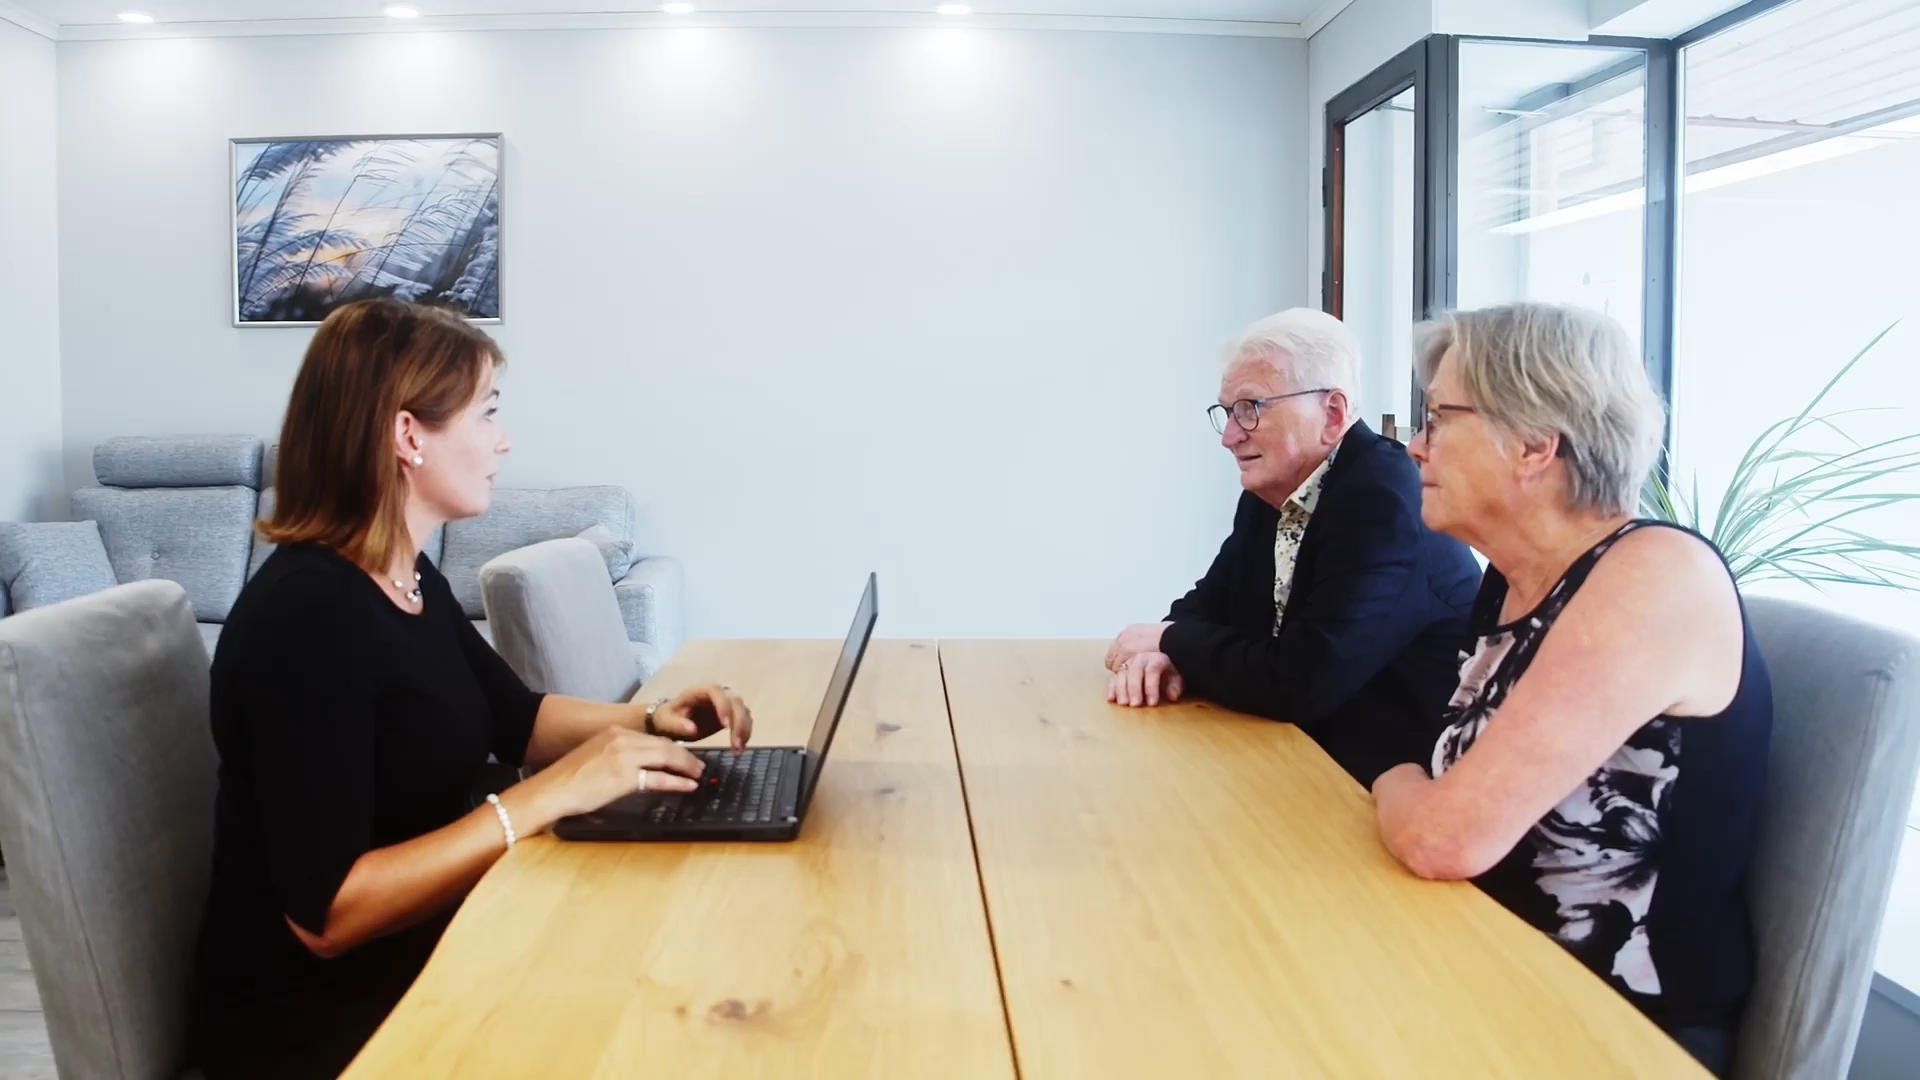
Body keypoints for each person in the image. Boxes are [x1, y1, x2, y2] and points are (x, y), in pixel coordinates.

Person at [191, 300, 755, 1078]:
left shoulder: (405, 574)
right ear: (408, 435)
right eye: (486, 412)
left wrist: (653, 720)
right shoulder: (307, 618)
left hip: (433, 948)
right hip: (322, 1025)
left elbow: (516, 718)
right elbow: (327, 917)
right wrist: (546, 797)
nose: (503, 439)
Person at [1372, 301, 1771, 1075]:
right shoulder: (1511, 580)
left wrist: (1391, 778)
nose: (1416, 445)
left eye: (1439, 419)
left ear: (1533, 443)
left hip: (1612, 1027)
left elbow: (1443, 837)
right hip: (1482, 964)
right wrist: (1415, 789)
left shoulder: (1654, 576)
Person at [1104, 308, 1482, 785]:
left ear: (1333, 414)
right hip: (1300, 758)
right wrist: (1167, 653)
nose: (1229, 436)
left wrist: (1170, 642)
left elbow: (1304, 680)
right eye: (1228, 412)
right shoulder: (1272, 492)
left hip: (1390, 785)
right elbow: (1208, 605)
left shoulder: (1384, 501)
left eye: (1250, 409)